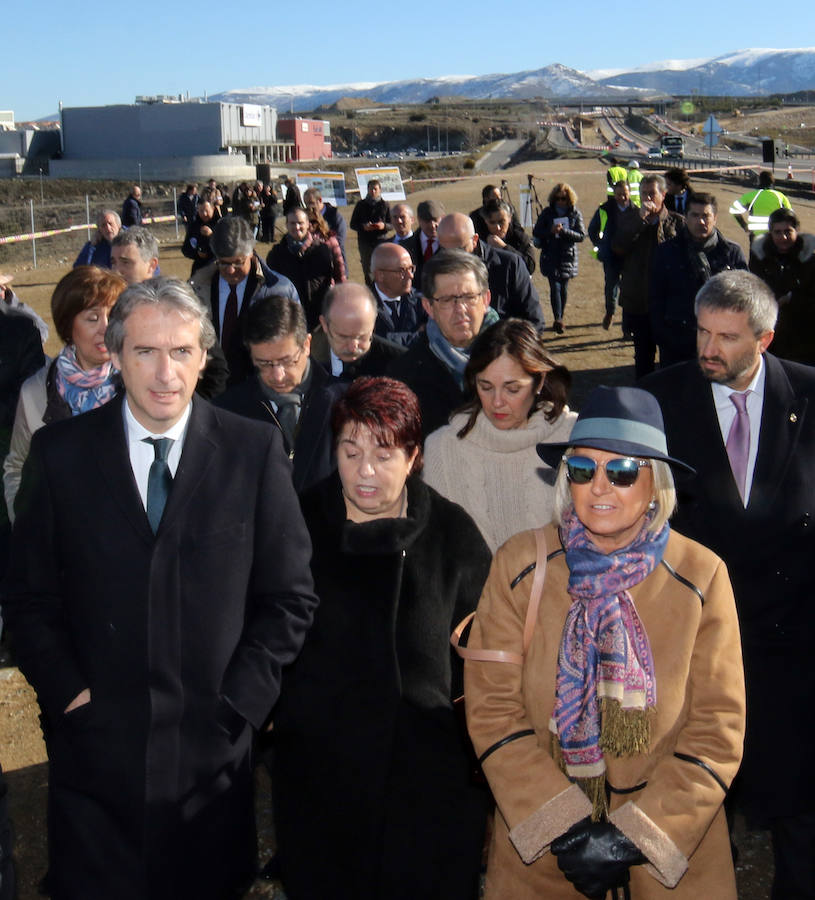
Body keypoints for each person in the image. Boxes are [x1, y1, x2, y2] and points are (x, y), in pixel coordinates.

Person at [3, 277, 319, 900]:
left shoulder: (252, 452)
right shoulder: (58, 454)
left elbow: (289, 594)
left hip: (212, 755)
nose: (164, 372)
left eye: (180, 351)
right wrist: (69, 695)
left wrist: (242, 705)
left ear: (204, 356)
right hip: (95, 751)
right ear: (115, 355)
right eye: (145, 351)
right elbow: (28, 598)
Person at [464, 385, 745, 899]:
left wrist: (632, 838)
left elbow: (717, 729)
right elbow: (492, 708)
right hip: (547, 856)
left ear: (655, 484)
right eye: (582, 469)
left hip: (666, 861)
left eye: (621, 472)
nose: (599, 487)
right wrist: (565, 826)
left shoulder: (702, 577)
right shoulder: (519, 566)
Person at [272, 376, 491, 900]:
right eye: (350, 452)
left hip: (430, 781)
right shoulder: (296, 527)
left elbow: (484, 659)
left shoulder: (452, 534)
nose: (364, 472)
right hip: (323, 776)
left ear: (414, 456)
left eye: (384, 454)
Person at [640, 270, 815, 899]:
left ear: (764, 339)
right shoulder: (658, 399)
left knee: (797, 804)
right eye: (702, 331)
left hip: (792, 638)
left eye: (727, 337)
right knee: (698, 797)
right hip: (695, 641)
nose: (708, 348)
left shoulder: (810, 394)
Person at [424, 319, 576, 552]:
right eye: (485, 387)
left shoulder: (576, 440)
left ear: (539, 381)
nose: (497, 402)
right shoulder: (441, 448)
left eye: (512, 389)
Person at [4, 266, 127, 520]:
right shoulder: (36, 391)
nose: (105, 328)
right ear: (67, 323)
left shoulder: (141, 384)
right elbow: (16, 467)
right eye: (92, 318)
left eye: (113, 316)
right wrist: (28, 531)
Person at [215, 295, 346, 494]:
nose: (278, 375)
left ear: (307, 345)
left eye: (287, 361)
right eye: (264, 363)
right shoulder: (226, 413)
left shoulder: (345, 402)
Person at [387, 249, 499, 438]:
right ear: (428, 307)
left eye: (469, 297)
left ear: (486, 299)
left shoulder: (518, 359)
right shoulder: (404, 378)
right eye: (447, 300)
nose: (460, 309)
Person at [190, 216, 298, 387]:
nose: (231, 270)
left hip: (260, 390)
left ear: (251, 253)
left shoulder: (279, 289)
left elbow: (295, 348)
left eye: (238, 263)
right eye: (224, 263)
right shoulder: (197, 289)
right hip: (211, 392)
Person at [650, 192, 747, 368]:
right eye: (695, 215)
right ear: (685, 217)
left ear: (715, 218)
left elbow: (744, 300)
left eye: (706, 216)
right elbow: (656, 298)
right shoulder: (666, 252)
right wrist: (664, 337)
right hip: (677, 344)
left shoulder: (732, 253)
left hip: (721, 344)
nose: (701, 221)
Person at [614, 173, 682, 378]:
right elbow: (617, 247)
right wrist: (639, 222)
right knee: (643, 358)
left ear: (663, 194)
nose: (647, 198)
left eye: (652, 193)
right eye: (643, 193)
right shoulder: (629, 219)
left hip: (670, 304)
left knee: (671, 359)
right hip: (639, 301)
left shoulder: (676, 222)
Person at [437, 214, 544, 333]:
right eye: (447, 251)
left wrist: (507, 347)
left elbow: (534, 321)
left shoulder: (509, 265)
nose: (455, 257)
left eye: (460, 250)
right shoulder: (435, 270)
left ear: (475, 240)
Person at [749, 207, 815, 364]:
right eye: (777, 232)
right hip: (770, 337)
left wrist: (791, 298)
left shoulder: (810, 261)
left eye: (788, 231)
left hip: (804, 338)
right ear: (770, 233)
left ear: (796, 231)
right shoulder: (759, 259)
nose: (783, 237)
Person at [310, 283, 404, 380]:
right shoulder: (304, 363)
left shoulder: (400, 365)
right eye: (343, 337)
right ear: (324, 324)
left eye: (361, 337)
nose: (353, 347)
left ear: (374, 324)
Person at [266, 208, 335, 331]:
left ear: (308, 224)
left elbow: (330, 280)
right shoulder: (276, 254)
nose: (297, 227)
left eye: (300, 223)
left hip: (319, 318)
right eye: (292, 223)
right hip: (290, 318)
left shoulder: (321, 250)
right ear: (286, 225)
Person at [533, 183, 585, 335]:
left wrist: (565, 232)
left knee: (563, 288)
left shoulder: (575, 213)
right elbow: (537, 231)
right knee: (554, 287)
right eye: (557, 198)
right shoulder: (547, 213)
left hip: (567, 255)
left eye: (563, 198)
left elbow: (581, 235)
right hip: (550, 254)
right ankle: (558, 319)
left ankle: (560, 315)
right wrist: (550, 231)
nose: (560, 201)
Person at [587, 180, 631, 331]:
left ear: (629, 193)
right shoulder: (605, 209)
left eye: (625, 194)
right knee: (611, 287)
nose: (622, 198)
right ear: (614, 194)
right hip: (610, 256)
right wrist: (600, 244)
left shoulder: (636, 210)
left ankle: (627, 324)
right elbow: (592, 229)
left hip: (630, 257)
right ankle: (610, 312)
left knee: (628, 290)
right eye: (619, 194)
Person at [370, 242, 427, 346]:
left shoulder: (423, 301)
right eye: (402, 271)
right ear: (380, 275)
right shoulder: (362, 306)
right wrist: (416, 335)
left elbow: (433, 335)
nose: (410, 276)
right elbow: (368, 342)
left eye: (411, 269)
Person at [729, 170, 791, 242]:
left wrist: (744, 226)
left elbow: (734, 210)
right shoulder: (780, 197)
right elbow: (790, 216)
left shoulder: (751, 196)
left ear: (759, 181)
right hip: (775, 236)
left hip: (756, 236)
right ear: (772, 181)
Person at [349, 179, 391, 285]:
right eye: (370, 189)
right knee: (368, 270)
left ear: (380, 190)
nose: (373, 191)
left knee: (382, 268)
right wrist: (363, 227)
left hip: (380, 241)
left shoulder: (385, 205)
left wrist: (383, 226)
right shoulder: (360, 205)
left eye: (375, 189)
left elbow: (392, 224)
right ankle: (370, 292)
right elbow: (352, 224)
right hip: (365, 242)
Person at [483, 199, 535, 274]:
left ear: (509, 218)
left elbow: (530, 266)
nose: (498, 227)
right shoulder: (479, 240)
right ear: (486, 221)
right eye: (492, 223)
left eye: (501, 222)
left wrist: (504, 247)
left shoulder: (520, 238)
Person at [303, 187, 347, 270]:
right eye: (306, 204)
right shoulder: (305, 218)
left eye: (311, 203)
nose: (308, 207)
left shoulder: (335, 216)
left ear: (320, 200)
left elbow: (340, 240)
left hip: (334, 265)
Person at [181, 200, 217, 276]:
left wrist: (212, 235)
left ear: (213, 208)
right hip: (199, 269)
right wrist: (197, 254)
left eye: (206, 210)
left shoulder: (221, 224)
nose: (204, 214)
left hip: (218, 269)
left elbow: (228, 248)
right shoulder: (194, 226)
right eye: (201, 211)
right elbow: (185, 249)